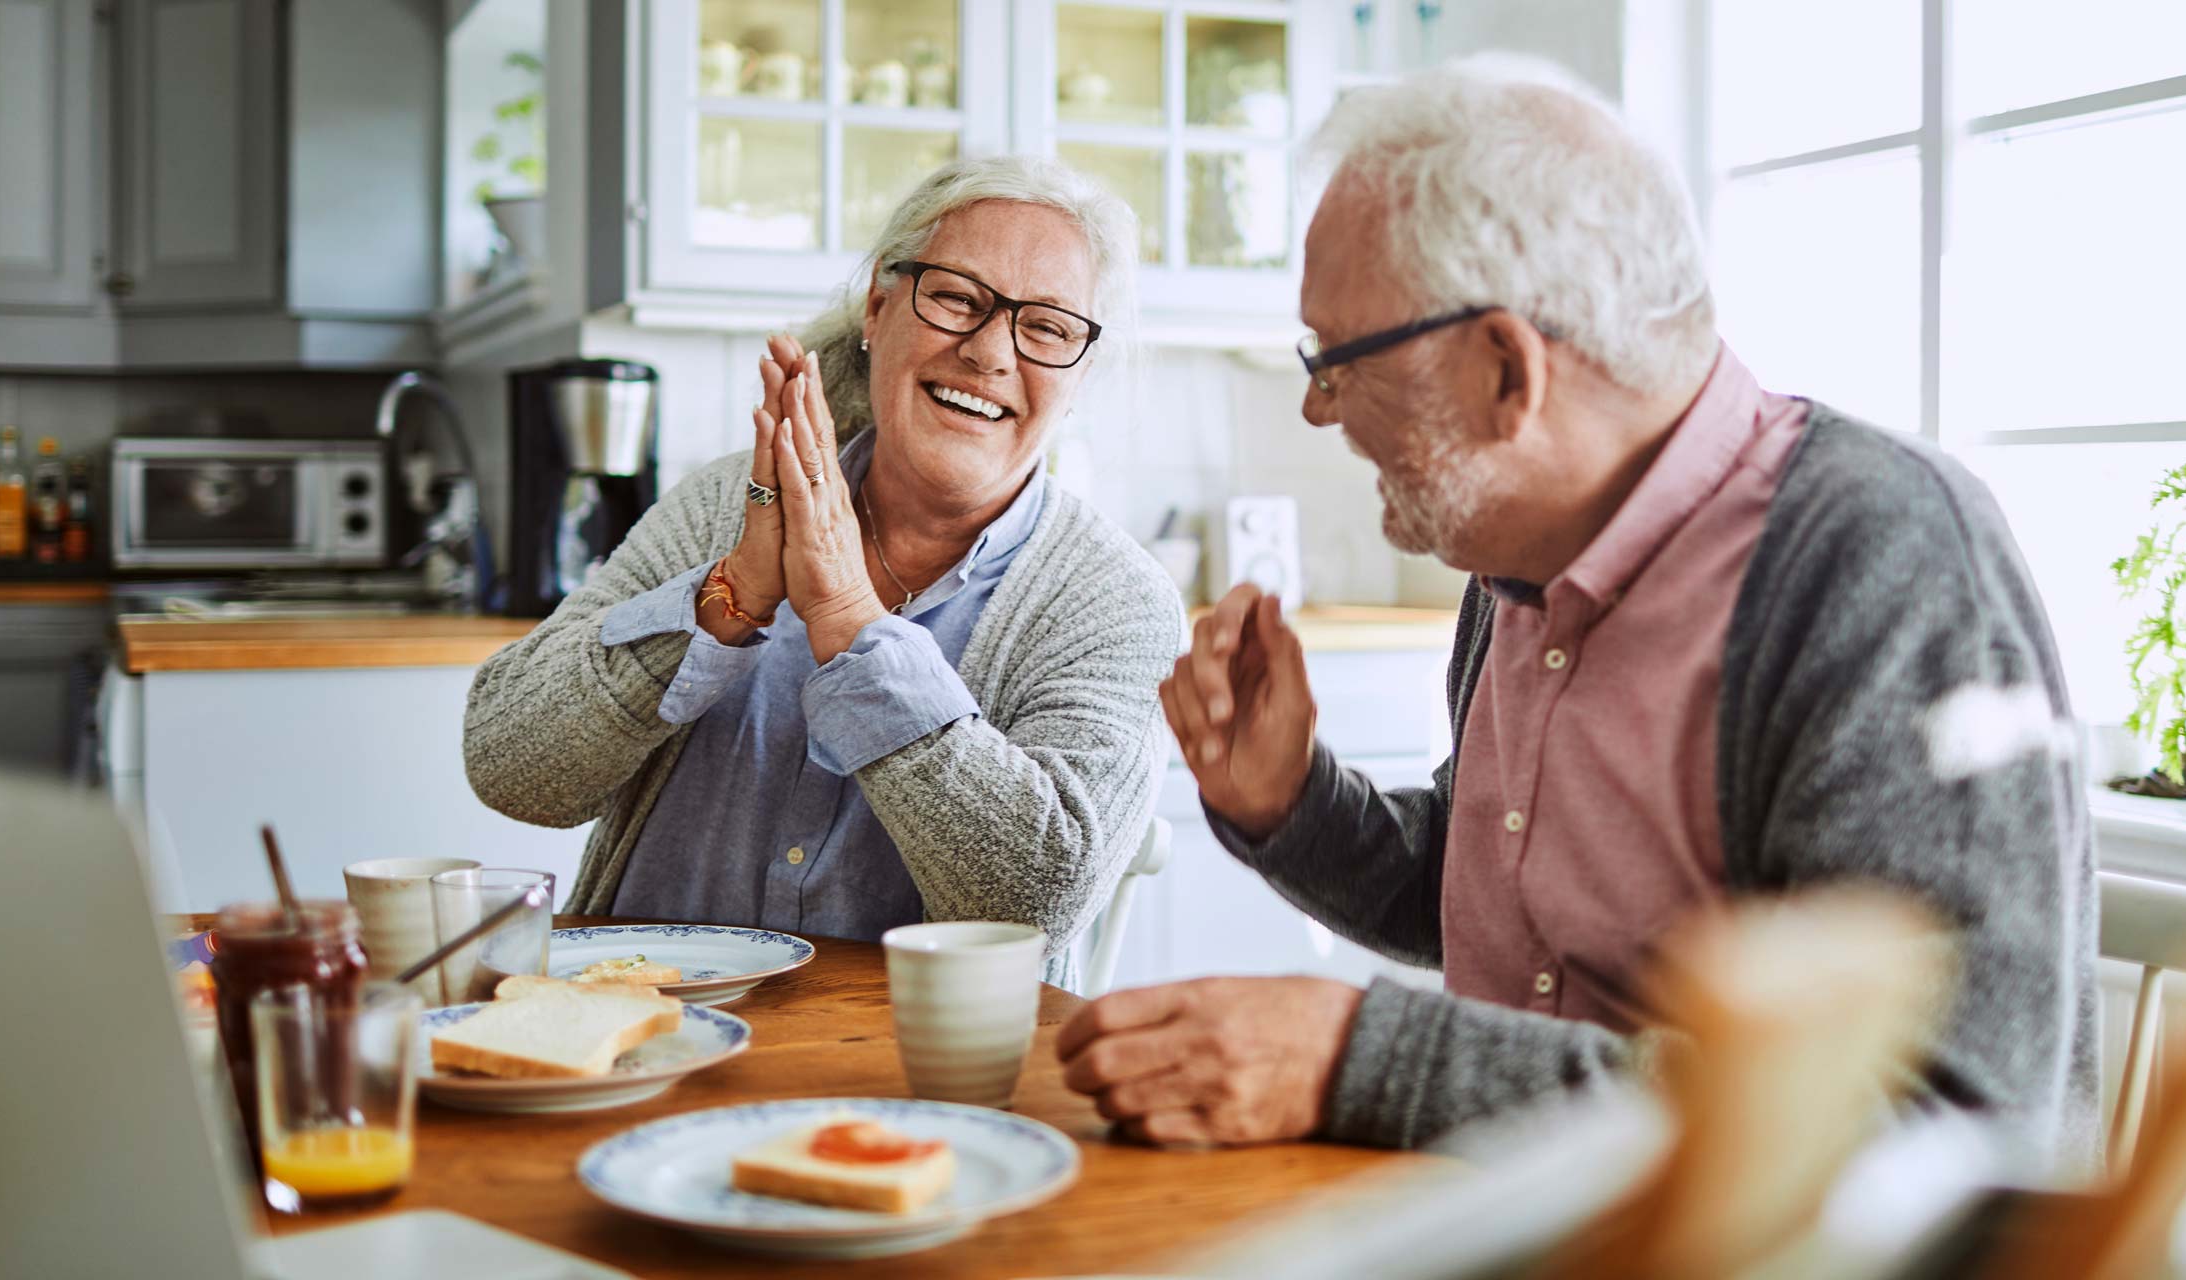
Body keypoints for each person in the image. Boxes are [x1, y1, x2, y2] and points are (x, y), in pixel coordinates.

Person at [1057, 55, 2101, 1156]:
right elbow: (1494, 908)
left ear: (1508, 370)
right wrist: (1291, 804)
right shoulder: (1517, 561)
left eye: (1337, 360)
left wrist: (1357, 1060)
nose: (1319, 410)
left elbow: (1941, 1120)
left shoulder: (1883, 559)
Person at [464, 156, 1183, 988]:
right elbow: (510, 770)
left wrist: (849, 620)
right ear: (880, 304)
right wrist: (723, 601)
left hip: (913, 1093)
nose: (990, 353)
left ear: (1079, 373)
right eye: (956, 297)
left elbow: (1034, 900)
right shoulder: (727, 505)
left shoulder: (1114, 601)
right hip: (638, 1035)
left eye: (1048, 327)